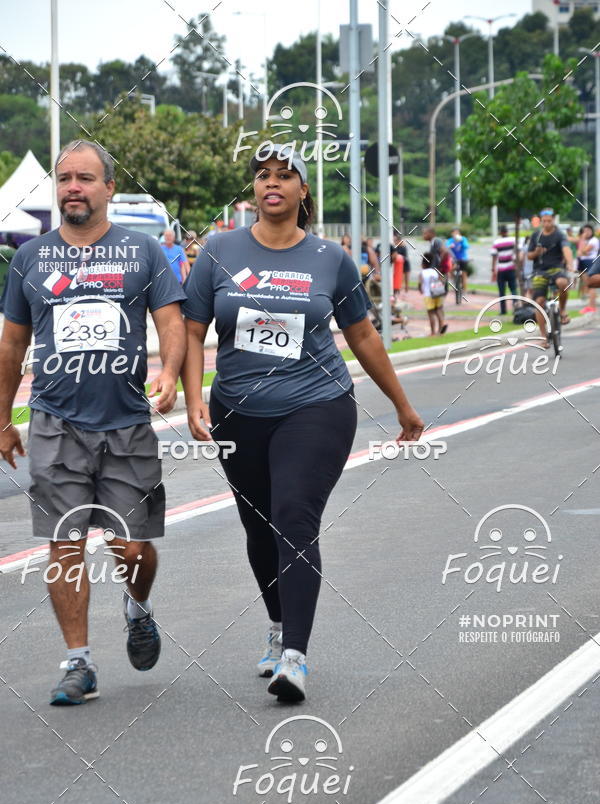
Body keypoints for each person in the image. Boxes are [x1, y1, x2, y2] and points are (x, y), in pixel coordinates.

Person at [181, 144, 423, 703]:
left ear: (302, 191)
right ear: (253, 192)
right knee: (257, 525)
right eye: (263, 176)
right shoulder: (218, 251)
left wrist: (403, 406)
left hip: (317, 406)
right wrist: (194, 399)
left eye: (285, 176)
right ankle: (276, 623)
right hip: (238, 410)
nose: (273, 184)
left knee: (293, 513)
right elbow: (192, 330)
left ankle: (295, 655)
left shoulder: (330, 258)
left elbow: (362, 334)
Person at [0, 140, 186, 705]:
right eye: (63, 179)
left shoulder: (143, 252)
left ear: (108, 187)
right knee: (66, 544)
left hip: (127, 421)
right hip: (56, 424)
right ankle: (78, 662)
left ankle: (136, 605)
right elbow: (12, 341)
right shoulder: (31, 258)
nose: (72, 188)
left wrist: (171, 372)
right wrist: (4, 415)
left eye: (84, 178)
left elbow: (171, 320)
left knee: (132, 550)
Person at [527, 208, 575, 346]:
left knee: (562, 282)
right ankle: (543, 337)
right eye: (544, 221)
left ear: (553, 220)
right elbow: (529, 256)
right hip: (539, 271)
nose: (547, 223)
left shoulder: (560, 235)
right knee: (539, 301)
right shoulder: (536, 236)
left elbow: (566, 250)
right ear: (541, 221)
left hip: (556, 268)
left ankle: (563, 310)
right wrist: (536, 252)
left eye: (549, 221)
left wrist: (570, 265)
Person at [419, 252, 448, 336]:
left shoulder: (422, 273)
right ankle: (441, 329)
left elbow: (420, 284)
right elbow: (441, 281)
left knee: (431, 313)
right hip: (437, 293)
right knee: (438, 310)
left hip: (428, 295)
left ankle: (433, 332)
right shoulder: (435, 271)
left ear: (423, 264)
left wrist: (421, 290)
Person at [491, 225, 517, 315]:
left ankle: (503, 310)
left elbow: (494, 256)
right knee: (513, 289)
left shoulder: (496, 242)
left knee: (502, 291)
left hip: (501, 269)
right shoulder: (513, 240)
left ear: (500, 232)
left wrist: (493, 269)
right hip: (511, 267)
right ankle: (516, 307)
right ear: (507, 231)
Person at [576, 224, 598, 313]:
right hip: (583, 262)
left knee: (591, 285)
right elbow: (579, 253)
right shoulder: (586, 241)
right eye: (584, 231)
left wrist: (582, 239)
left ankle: (592, 306)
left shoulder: (594, 240)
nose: (586, 233)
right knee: (587, 285)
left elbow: (583, 251)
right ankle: (589, 305)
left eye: (588, 231)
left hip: (590, 262)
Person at [446, 227, 470, 292]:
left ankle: (465, 289)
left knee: (464, 273)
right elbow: (446, 248)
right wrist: (449, 246)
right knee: (450, 269)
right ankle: (455, 280)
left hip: (462, 258)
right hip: (453, 259)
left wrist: (462, 242)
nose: (456, 234)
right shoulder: (450, 240)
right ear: (452, 234)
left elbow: (467, 246)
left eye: (457, 232)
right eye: (454, 232)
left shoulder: (463, 239)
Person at [393, 230, 410, 295]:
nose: (395, 242)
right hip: (399, 265)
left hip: (405, 264)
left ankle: (406, 291)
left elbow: (405, 257)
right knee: (399, 278)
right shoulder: (396, 247)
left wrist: (399, 256)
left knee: (406, 279)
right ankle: (399, 290)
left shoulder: (403, 247)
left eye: (396, 241)